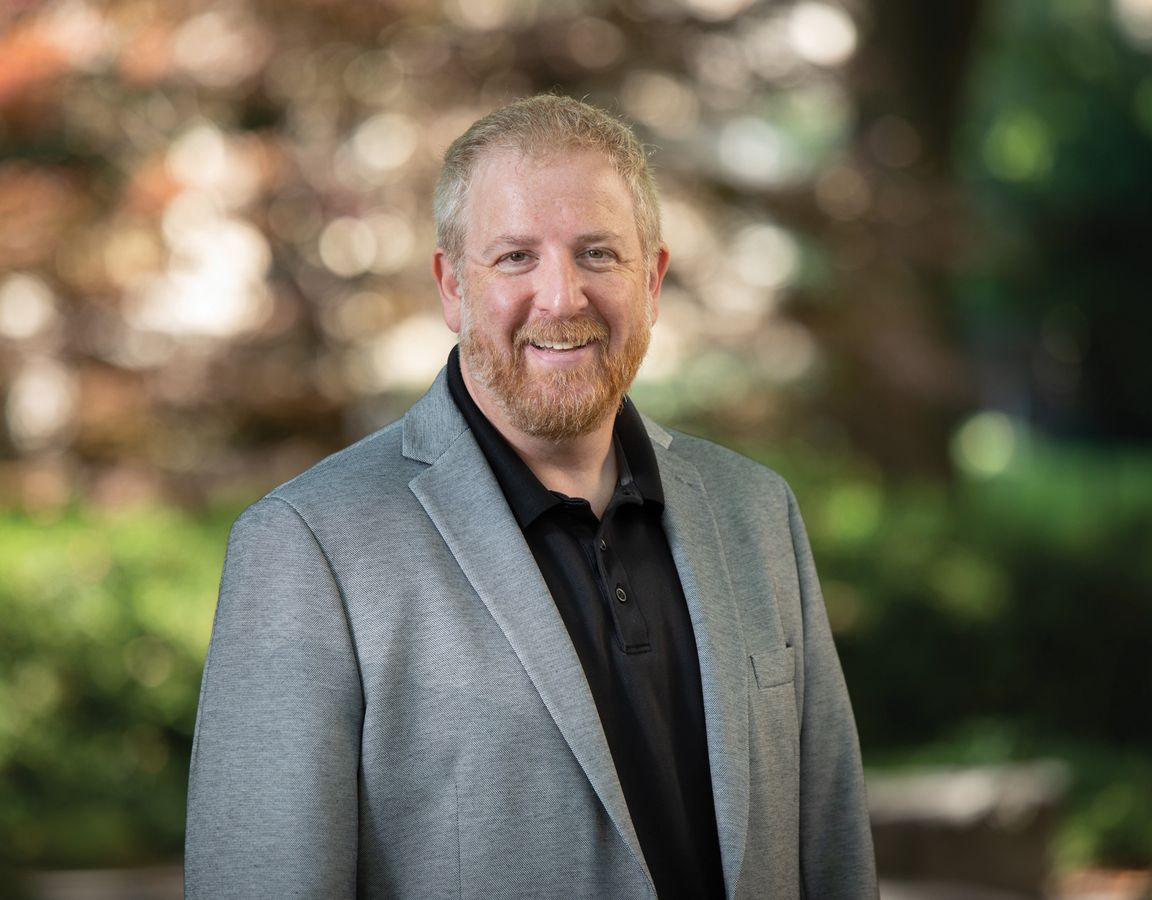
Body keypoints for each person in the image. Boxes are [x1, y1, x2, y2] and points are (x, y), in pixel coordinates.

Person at [185, 94, 877, 900]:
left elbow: (831, 852)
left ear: (651, 280)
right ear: (451, 286)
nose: (561, 298)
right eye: (515, 257)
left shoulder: (757, 514)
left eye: (598, 254)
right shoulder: (309, 547)